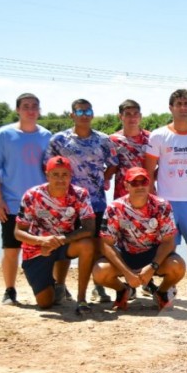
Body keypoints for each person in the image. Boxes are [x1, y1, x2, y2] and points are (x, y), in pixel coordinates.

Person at [45, 98, 118, 304]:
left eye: (87, 111)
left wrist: (103, 179)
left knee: (95, 245)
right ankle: (60, 286)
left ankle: (97, 286)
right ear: (72, 115)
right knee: (64, 242)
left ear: (92, 114)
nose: (84, 115)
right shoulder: (59, 140)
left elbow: (113, 163)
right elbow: (48, 167)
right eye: (79, 111)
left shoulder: (103, 140)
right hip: (65, 204)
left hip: (96, 202)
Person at [145, 89, 187, 303]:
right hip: (165, 203)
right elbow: (148, 172)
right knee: (168, 245)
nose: (183, 108)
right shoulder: (158, 135)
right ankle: (170, 285)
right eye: (179, 104)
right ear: (171, 108)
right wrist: (153, 201)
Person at [0, 92, 52, 305]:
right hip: (12, 203)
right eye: (26, 106)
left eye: (34, 106)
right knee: (11, 249)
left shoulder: (46, 136)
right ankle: (10, 290)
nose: (30, 110)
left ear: (39, 110)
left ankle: (51, 286)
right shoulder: (4, 134)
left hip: (42, 205)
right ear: (17, 109)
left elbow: (53, 170)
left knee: (47, 248)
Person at [94, 167, 186, 312]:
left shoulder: (162, 206)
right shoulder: (114, 208)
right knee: (99, 272)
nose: (140, 186)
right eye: (134, 183)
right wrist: (127, 273)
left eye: (143, 182)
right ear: (126, 186)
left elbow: (169, 241)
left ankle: (161, 292)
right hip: (125, 254)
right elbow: (106, 245)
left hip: (152, 254)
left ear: (149, 184)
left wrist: (152, 267)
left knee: (178, 266)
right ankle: (122, 290)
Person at [14, 156, 95, 315]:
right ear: (47, 175)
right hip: (37, 248)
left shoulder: (80, 194)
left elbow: (89, 228)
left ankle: (81, 299)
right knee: (45, 303)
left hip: (63, 243)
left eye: (64, 174)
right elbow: (18, 232)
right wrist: (41, 241)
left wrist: (60, 240)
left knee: (87, 244)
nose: (60, 179)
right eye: (55, 174)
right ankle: (52, 284)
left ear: (71, 176)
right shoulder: (32, 196)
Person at [109, 99, 150, 200]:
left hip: (146, 192)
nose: (132, 118)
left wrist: (151, 180)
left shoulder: (151, 139)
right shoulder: (112, 140)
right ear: (120, 117)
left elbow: (161, 166)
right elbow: (110, 169)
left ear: (140, 116)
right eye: (128, 114)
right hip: (122, 194)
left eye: (136, 114)